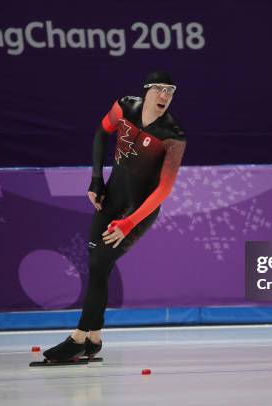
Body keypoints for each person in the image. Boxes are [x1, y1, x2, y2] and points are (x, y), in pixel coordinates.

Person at [43, 71, 187, 362]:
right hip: (111, 198)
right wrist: (96, 180)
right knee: (98, 267)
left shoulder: (173, 135)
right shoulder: (124, 106)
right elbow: (101, 133)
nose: (164, 96)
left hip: (138, 211)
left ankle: (78, 337)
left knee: (99, 262)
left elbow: (164, 189)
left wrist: (129, 222)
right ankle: (94, 339)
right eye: (159, 89)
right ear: (146, 90)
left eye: (170, 91)